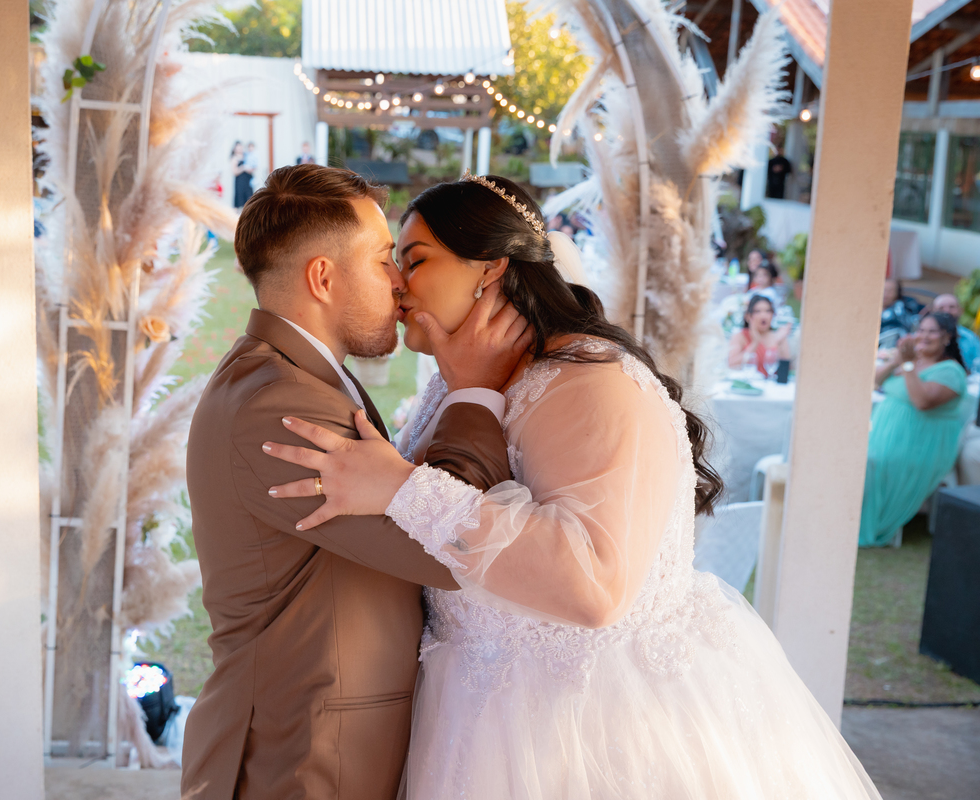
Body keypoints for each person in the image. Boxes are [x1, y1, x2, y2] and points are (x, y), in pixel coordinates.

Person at [264, 174, 882, 799]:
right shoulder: (460, 378)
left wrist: (401, 490)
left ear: (490, 271)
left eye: (415, 261)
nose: (397, 283)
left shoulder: (587, 381)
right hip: (470, 711)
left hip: (582, 727)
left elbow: (595, 585)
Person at [180, 164, 527, 800]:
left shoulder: (295, 378)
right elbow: (445, 544)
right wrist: (477, 389)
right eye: (381, 260)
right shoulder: (278, 406)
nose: (401, 284)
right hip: (304, 757)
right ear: (322, 277)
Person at [862, 312, 970, 547]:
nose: (924, 336)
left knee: (870, 461)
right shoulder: (912, 360)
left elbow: (922, 401)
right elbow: (874, 381)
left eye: (932, 331)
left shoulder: (951, 372)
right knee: (855, 456)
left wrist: (908, 365)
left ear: (947, 337)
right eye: (921, 330)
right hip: (884, 435)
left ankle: (869, 523)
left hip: (920, 445)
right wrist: (895, 361)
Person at [728, 293, 791, 375]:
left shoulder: (778, 336)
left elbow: (786, 371)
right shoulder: (740, 336)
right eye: (758, 311)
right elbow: (731, 364)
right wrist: (754, 343)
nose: (763, 315)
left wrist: (778, 341)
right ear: (748, 316)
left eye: (768, 311)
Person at [929, 292, 979, 372]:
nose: (947, 311)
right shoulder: (921, 337)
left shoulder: (970, 337)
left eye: (952, 307)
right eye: (941, 308)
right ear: (933, 311)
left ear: (960, 310)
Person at [879, 278, 921, 348]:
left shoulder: (904, 307)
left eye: (890, 291)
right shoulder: (869, 308)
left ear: (897, 293)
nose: (886, 294)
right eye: (884, 290)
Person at [230, 141, 252, 209]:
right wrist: (243, 168)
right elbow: (234, 171)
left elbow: (252, 168)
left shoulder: (246, 156)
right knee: (240, 200)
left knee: (249, 199)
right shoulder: (234, 158)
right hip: (240, 182)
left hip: (247, 181)